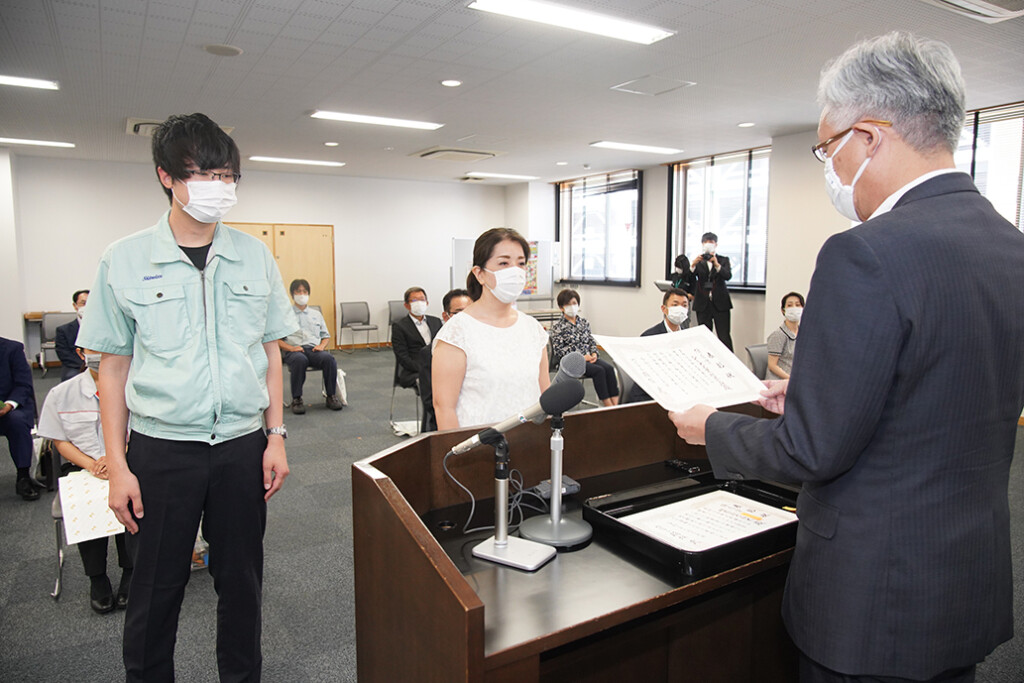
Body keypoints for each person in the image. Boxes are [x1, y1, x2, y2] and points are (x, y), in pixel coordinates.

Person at [670, 32, 1024, 682]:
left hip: (872, 599)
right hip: (961, 581)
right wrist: (816, 394)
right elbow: (944, 394)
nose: (829, 166)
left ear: (868, 137)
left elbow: (811, 452)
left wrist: (710, 427)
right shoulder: (1010, 245)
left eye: (827, 147)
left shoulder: (863, 252)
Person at [78, 112, 297, 682]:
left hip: (242, 445)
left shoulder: (254, 255)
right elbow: (112, 370)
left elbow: (270, 351)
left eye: (226, 175)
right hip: (162, 449)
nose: (217, 187)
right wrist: (118, 467)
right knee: (156, 590)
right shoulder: (124, 258)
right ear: (166, 177)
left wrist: (275, 436)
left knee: (242, 585)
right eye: (202, 174)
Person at [37, 347, 133, 614]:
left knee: (133, 501)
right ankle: (97, 578)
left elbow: (142, 429)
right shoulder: (62, 394)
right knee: (84, 504)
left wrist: (116, 459)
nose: (100, 353)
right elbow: (60, 441)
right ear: (81, 353)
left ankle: (130, 572)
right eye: (93, 348)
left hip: (127, 461)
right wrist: (91, 464)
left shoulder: (134, 387)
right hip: (83, 467)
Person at [432, 228, 550, 430]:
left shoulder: (533, 329)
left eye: (521, 263)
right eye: (504, 263)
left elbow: (544, 395)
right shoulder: (457, 333)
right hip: (479, 443)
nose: (515, 271)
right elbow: (444, 409)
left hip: (531, 440)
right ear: (480, 274)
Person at [278, 278, 343, 414]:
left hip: (313, 349)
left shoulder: (316, 314)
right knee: (299, 360)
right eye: (298, 291)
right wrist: (291, 348)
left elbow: (326, 336)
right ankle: (297, 399)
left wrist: (322, 346)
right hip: (294, 350)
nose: (302, 294)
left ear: (308, 293)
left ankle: (331, 396)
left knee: (329, 359)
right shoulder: (285, 315)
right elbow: (277, 340)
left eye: (304, 291)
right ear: (292, 294)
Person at [549, 288, 619, 407]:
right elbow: (559, 350)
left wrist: (594, 354)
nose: (572, 307)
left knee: (609, 368)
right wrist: (581, 357)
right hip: (572, 361)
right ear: (561, 307)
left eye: (574, 303)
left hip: (589, 358)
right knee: (599, 371)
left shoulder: (584, 323)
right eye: (568, 304)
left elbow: (591, 341)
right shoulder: (558, 326)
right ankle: (608, 405)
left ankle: (616, 404)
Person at [418, 288, 471, 433]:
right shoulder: (431, 353)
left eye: (469, 312)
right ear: (446, 316)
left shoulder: (482, 347)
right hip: (449, 424)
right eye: (458, 313)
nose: (465, 318)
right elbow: (431, 401)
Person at [627, 288, 690, 403]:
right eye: (675, 305)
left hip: (678, 393)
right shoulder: (649, 337)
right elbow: (645, 375)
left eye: (684, 305)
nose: (680, 309)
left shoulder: (689, 337)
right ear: (664, 309)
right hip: (649, 396)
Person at [0, 336, 39, 501]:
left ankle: (23, 476)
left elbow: (23, 384)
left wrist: (8, 406)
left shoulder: (12, 349)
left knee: (17, 421)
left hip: (8, 407)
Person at [391, 286, 442, 389]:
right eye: (414, 300)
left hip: (438, 365)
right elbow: (402, 356)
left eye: (422, 300)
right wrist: (425, 368)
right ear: (406, 305)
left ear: (427, 303)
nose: (419, 303)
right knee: (431, 381)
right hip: (414, 370)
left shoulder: (436, 321)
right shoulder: (400, 326)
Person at [690, 232, 733, 350]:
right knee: (704, 336)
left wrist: (717, 265)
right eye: (706, 242)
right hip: (703, 303)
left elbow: (728, 276)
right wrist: (693, 265)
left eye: (711, 242)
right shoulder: (699, 261)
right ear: (702, 244)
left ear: (716, 244)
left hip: (720, 303)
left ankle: (728, 359)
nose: (708, 244)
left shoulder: (723, 260)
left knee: (724, 336)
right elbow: (689, 278)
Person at [766, 291, 803, 380]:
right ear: (783, 310)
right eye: (789, 305)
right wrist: (791, 380)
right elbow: (772, 365)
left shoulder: (803, 333)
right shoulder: (778, 335)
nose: (794, 308)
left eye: (797, 305)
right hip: (780, 381)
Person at [55, 289, 89, 381]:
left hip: (99, 365)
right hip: (75, 366)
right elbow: (64, 355)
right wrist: (85, 365)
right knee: (72, 378)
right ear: (75, 306)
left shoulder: (103, 328)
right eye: (83, 303)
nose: (87, 306)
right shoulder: (63, 330)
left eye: (90, 303)